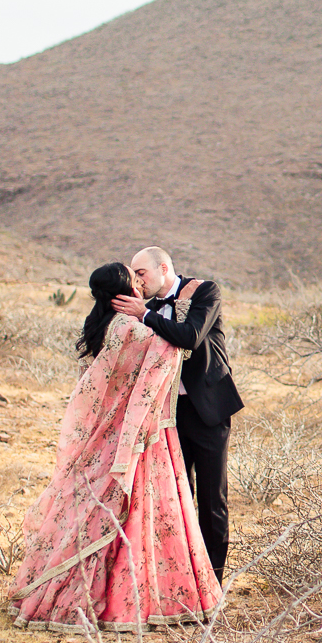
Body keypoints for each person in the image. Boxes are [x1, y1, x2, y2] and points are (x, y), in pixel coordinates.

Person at [7, 261, 222, 631]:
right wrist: (153, 317)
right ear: (126, 290)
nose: (141, 281)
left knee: (95, 512)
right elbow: (175, 347)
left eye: (143, 274)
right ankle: (134, 597)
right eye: (133, 276)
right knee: (136, 513)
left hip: (106, 433)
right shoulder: (132, 329)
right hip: (137, 434)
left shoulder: (101, 327)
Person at [111, 247, 242, 581]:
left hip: (209, 410)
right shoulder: (145, 308)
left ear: (163, 268)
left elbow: (192, 337)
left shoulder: (204, 292)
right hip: (168, 414)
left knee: (212, 500)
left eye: (141, 273)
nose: (137, 280)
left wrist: (145, 315)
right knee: (175, 497)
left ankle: (212, 581)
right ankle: (178, 577)